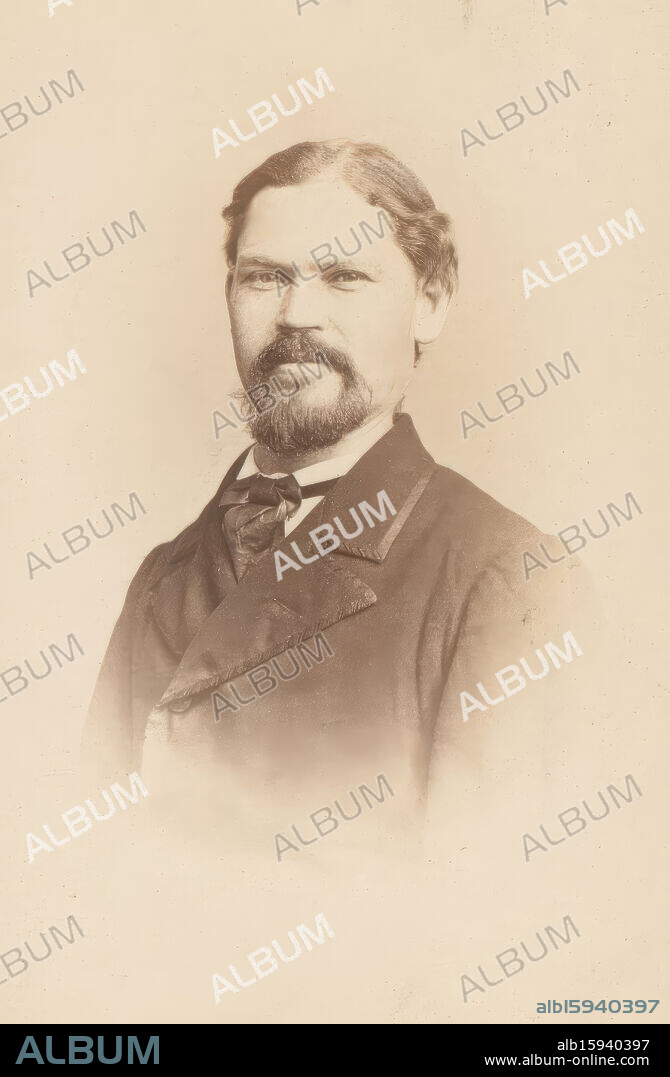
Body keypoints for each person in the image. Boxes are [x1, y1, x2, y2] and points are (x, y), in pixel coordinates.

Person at [83, 139, 589, 827]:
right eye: (265, 277)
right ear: (230, 294)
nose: (295, 316)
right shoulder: (159, 579)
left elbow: (485, 907)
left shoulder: (510, 578)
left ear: (430, 303)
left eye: (345, 276)